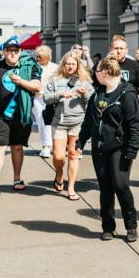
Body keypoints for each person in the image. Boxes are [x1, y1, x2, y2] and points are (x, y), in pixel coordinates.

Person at [76, 56, 139, 242]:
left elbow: (135, 125)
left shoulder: (127, 94)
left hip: (120, 148)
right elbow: (89, 122)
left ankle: (131, 225)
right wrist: (80, 142)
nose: (95, 74)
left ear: (105, 72)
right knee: (105, 188)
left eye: (96, 71)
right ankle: (108, 227)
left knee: (120, 186)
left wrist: (132, 150)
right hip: (99, 148)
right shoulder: (97, 94)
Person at [0, 36, 42, 197]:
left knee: (17, 147)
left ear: (20, 51)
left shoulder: (28, 67)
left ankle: (17, 179)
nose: (13, 53)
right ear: (4, 52)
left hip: (21, 115)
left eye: (15, 50)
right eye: (9, 50)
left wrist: (21, 82)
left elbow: (37, 87)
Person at [43, 51, 94, 200]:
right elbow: (46, 98)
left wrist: (84, 95)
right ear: (63, 65)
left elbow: (92, 102)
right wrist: (61, 95)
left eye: (73, 64)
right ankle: (59, 172)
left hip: (78, 123)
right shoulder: (54, 80)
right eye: (68, 64)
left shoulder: (84, 81)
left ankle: (71, 188)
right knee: (58, 157)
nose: (70, 66)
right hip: (59, 122)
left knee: (73, 154)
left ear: (78, 65)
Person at [107, 35, 139, 115]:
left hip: (130, 108)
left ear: (126, 50)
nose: (118, 51)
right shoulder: (104, 65)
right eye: (116, 48)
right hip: (109, 109)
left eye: (121, 48)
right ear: (110, 49)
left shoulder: (134, 65)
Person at [32, 45, 60, 158]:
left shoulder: (55, 67)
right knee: (41, 123)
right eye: (37, 56)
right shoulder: (34, 66)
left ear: (47, 57)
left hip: (50, 99)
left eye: (41, 57)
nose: (38, 59)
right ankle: (45, 146)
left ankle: (51, 146)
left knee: (49, 123)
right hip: (37, 98)